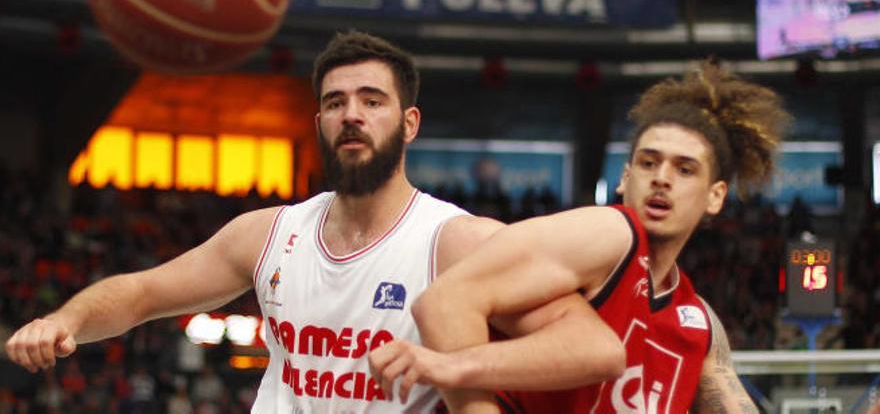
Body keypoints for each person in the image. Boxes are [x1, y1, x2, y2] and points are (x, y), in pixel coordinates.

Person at [5, 31, 624, 413]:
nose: (352, 115)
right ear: (320, 122)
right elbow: (142, 293)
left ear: (409, 123)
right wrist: (67, 319)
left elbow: (591, 346)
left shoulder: (457, 241)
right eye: (335, 103)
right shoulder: (268, 233)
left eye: (371, 101)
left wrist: (456, 367)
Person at [370, 61, 790, 412]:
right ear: (625, 178)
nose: (662, 179)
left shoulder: (698, 321)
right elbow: (444, 303)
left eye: (684, 169)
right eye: (648, 163)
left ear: (716, 196)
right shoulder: (612, 232)